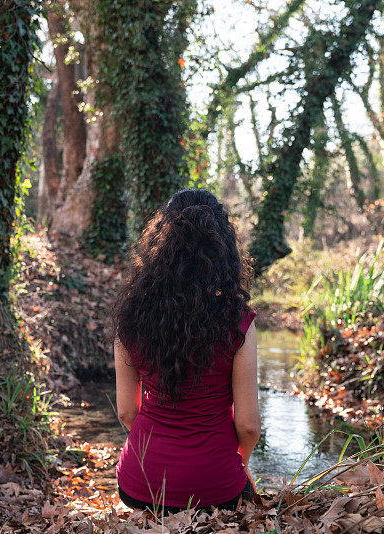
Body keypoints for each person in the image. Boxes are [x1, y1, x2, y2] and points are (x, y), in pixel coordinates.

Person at [113, 189, 261, 514]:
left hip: (140, 484)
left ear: (159, 244)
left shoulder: (129, 318)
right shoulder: (238, 323)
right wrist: (241, 465)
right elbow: (249, 425)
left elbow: (126, 412)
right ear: (222, 248)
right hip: (215, 487)